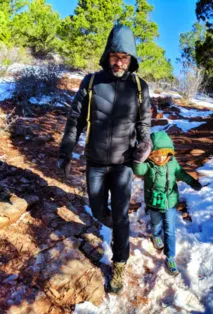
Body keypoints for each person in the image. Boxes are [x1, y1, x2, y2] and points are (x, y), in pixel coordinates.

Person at [58, 24, 151, 294]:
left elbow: (144, 125)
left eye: (124, 57)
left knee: (120, 215)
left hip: (123, 163)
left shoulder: (139, 87)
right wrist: (65, 153)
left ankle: (120, 261)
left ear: (131, 59)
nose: (119, 61)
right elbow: (74, 120)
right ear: (107, 55)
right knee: (99, 211)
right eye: (114, 56)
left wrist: (144, 144)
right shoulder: (91, 82)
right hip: (95, 163)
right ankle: (118, 226)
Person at [133, 131, 202, 276]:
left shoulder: (173, 164)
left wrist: (193, 182)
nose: (159, 158)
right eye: (155, 155)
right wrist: (139, 158)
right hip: (153, 203)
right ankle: (155, 235)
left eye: (163, 154)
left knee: (170, 230)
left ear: (169, 153)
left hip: (169, 203)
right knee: (156, 224)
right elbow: (138, 169)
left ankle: (170, 257)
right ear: (150, 154)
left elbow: (182, 174)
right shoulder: (149, 166)